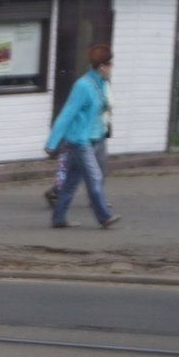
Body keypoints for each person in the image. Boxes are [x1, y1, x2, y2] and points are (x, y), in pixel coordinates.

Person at [46, 46, 117, 229]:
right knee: (94, 176)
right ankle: (104, 217)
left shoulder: (101, 83)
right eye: (110, 64)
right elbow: (67, 114)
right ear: (101, 66)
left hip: (96, 138)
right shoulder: (83, 86)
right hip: (80, 141)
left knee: (71, 182)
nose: (112, 67)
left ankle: (58, 217)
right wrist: (52, 142)